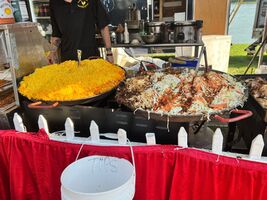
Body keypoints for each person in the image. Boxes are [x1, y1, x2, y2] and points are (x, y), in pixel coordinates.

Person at [48, 0, 113, 63]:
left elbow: (103, 25)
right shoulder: (54, 2)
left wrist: (109, 53)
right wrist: (52, 52)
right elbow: (56, 34)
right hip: (67, 61)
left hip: (91, 59)